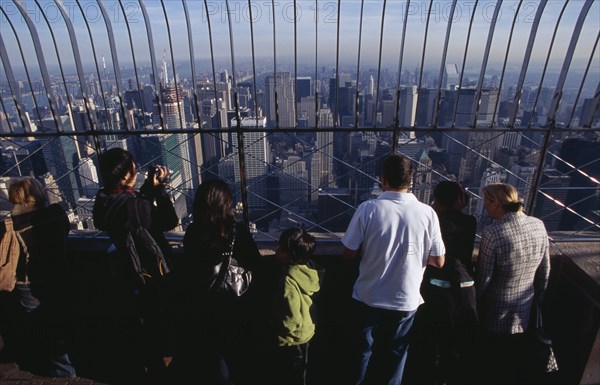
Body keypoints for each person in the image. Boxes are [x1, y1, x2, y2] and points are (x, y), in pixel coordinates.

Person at [341, 154, 446, 385]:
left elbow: (348, 252)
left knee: (362, 352)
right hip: (405, 298)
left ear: (383, 179)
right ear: (411, 180)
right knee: (397, 355)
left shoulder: (368, 209)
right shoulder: (428, 213)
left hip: (368, 296)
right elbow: (439, 261)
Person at [92, 148, 178, 383]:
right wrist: (160, 189)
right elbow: (169, 221)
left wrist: (145, 191)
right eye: (133, 167)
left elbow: (128, 212)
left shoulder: (102, 199)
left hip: (124, 271)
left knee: (139, 326)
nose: (137, 170)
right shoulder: (135, 206)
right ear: (125, 175)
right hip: (151, 273)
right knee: (160, 326)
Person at [174, 178, 263, 384]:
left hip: (205, 312)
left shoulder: (194, 233)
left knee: (217, 365)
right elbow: (256, 265)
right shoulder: (237, 232)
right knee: (240, 364)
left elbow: (190, 271)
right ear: (226, 205)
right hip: (237, 309)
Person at [0, 177, 76, 377]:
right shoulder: (55, 215)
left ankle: (60, 370)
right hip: (60, 278)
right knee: (62, 328)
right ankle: (65, 371)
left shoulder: (10, 227)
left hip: (28, 287)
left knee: (45, 330)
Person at [476, 183, 550, 384]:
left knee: (492, 364)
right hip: (524, 311)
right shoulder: (538, 225)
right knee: (512, 364)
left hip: (495, 312)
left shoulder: (493, 233)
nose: (484, 207)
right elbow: (545, 270)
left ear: (495, 203)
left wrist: (473, 306)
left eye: (485, 202)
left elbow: (484, 279)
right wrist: (538, 299)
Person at [406, 181, 478, 385]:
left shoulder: (430, 220)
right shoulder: (470, 222)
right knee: (455, 346)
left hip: (435, 288)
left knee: (429, 344)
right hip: (465, 288)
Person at [272, 228, 323, 385]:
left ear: (290, 255)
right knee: (301, 376)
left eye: (280, 248)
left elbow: (291, 318)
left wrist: (278, 332)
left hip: (290, 340)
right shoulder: (311, 272)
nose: (276, 251)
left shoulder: (288, 280)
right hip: (307, 332)